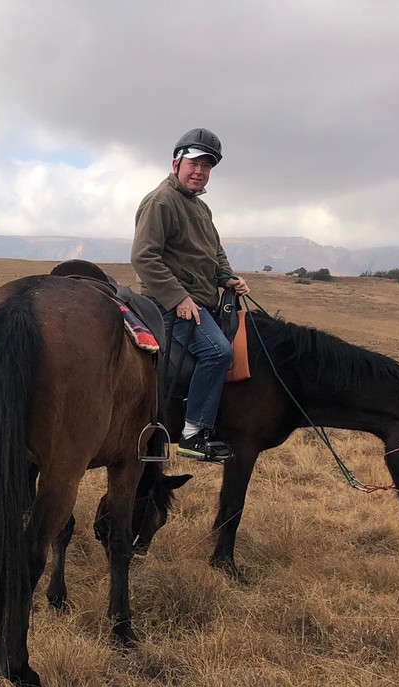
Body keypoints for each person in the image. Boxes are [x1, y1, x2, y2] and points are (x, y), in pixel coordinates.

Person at [132, 128, 250, 462]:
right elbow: (144, 257)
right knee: (218, 353)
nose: (199, 171)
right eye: (194, 163)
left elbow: (216, 253)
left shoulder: (201, 209)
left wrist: (228, 278)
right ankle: (193, 433)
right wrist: (179, 298)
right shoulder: (160, 201)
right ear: (176, 163)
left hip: (202, 300)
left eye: (207, 165)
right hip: (169, 302)